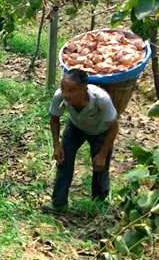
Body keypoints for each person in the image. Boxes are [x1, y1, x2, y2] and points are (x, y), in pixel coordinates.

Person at [44, 69, 119, 213]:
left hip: (100, 132)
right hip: (75, 127)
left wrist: (103, 154)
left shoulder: (101, 99)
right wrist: (56, 145)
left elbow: (114, 127)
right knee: (63, 161)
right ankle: (59, 203)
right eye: (63, 88)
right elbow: (54, 118)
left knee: (100, 167)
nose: (66, 94)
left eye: (72, 90)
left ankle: (98, 205)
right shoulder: (60, 96)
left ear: (84, 89)